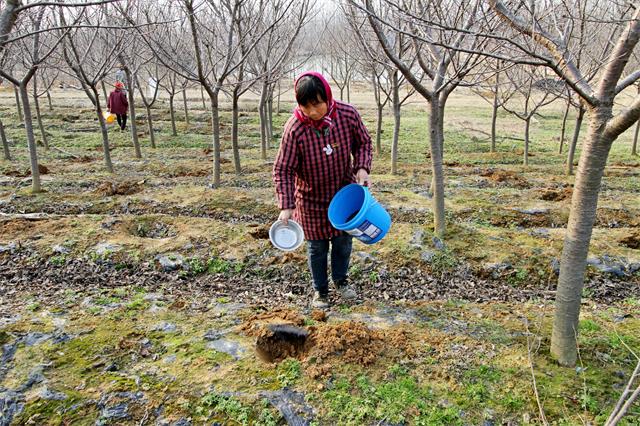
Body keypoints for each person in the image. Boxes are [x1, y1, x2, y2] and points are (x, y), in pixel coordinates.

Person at [273, 71, 372, 309]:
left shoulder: (347, 115)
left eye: (317, 104)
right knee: (316, 247)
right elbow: (283, 168)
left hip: (343, 194)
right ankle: (320, 291)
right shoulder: (295, 128)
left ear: (327, 97)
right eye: (305, 106)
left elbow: (364, 143)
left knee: (342, 241)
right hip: (310, 199)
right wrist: (286, 206)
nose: (312, 112)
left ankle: (341, 280)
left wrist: (362, 168)